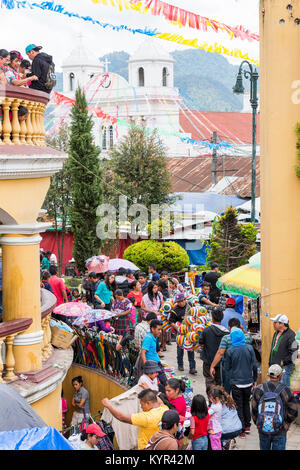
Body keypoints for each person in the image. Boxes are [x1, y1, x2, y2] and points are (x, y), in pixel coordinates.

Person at [102, 389, 169, 450]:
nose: (141, 407)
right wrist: (147, 390)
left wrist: (108, 406)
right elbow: (159, 401)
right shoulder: (164, 409)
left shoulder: (146, 417)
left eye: (142, 404)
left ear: (148, 403)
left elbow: (121, 417)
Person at [251, 364, 298, 451]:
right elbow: (294, 411)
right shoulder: (286, 390)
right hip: (280, 429)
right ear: (280, 375)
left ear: (268, 374)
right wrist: (285, 424)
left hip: (263, 428)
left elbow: (254, 410)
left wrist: (259, 423)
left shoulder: (259, 389)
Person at [224, 328, 257, 438]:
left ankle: (241, 429)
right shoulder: (249, 348)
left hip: (236, 382)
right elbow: (255, 365)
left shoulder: (230, 351)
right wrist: (255, 379)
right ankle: (247, 425)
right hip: (248, 381)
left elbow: (227, 367)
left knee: (238, 405)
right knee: (246, 403)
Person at [210, 317, 253, 394]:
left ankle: (227, 403)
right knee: (240, 389)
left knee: (226, 388)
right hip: (243, 367)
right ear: (240, 326)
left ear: (229, 328)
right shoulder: (246, 337)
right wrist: (242, 330)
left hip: (229, 367)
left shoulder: (226, 338)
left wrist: (212, 366)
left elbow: (220, 353)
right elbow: (249, 338)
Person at [198, 307, 228, 392]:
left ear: (212, 318)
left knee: (209, 381)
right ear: (222, 318)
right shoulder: (226, 333)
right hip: (221, 363)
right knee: (219, 383)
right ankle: (217, 401)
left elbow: (201, 343)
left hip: (208, 362)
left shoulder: (206, 330)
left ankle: (211, 401)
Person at [169, 293, 197, 375]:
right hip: (180, 332)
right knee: (180, 349)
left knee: (190, 349)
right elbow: (171, 321)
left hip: (190, 332)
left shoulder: (190, 306)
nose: (180, 303)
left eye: (182, 301)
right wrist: (178, 328)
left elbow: (195, 316)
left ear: (185, 299)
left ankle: (192, 367)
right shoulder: (175, 310)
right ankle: (180, 365)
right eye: (178, 302)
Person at [269, 314, 298, 386]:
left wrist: (283, 362)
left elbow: (294, 353)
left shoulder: (291, 335)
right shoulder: (276, 333)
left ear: (282, 324)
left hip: (285, 367)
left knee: (283, 387)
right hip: (275, 365)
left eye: (275, 322)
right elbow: (273, 349)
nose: (273, 324)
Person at [214, 386, 242, 450]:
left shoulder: (218, 406)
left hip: (227, 431)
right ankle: (230, 441)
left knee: (214, 433)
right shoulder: (230, 402)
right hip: (238, 428)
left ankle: (225, 444)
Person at [141, 319, 167, 386]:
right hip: (153, 366)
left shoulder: (153, 337)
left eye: (161, 330)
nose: (160, 332)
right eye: (158, 329)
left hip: (156, 363)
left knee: (163, 381)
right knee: (165, 382)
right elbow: (143, 352)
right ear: (152, 329)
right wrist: (147, 367)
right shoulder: (148, 338)